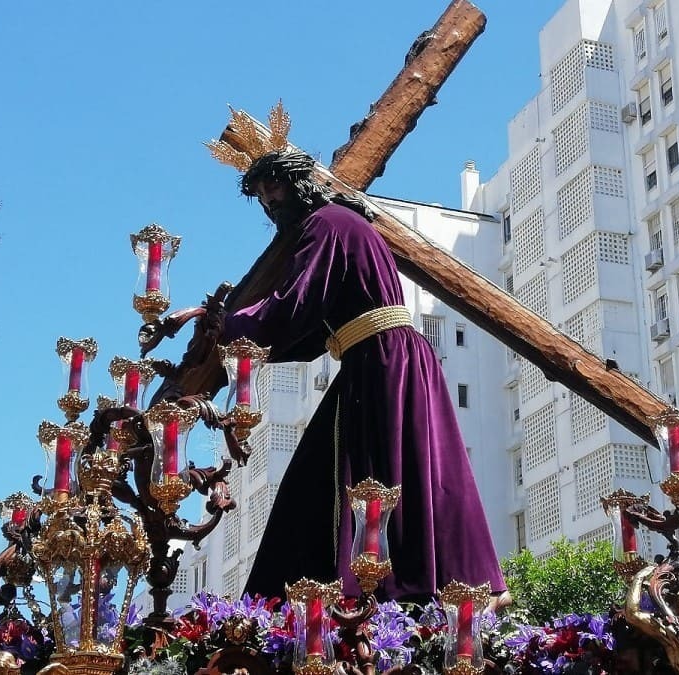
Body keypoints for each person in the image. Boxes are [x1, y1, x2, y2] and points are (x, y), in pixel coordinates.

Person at [211, 144, 507, 604]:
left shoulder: (326, 224)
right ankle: (312, 600)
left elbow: (295, 304)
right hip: (379, 358)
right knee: (341, 473)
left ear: (301, 185)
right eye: (266, 205)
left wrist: (231, 323)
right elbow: (310, 337)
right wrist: (251, 340)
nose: (274, 210)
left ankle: (370, 596)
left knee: (375, 472)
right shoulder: (341, 224)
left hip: (382, 361)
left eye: (277, 195)